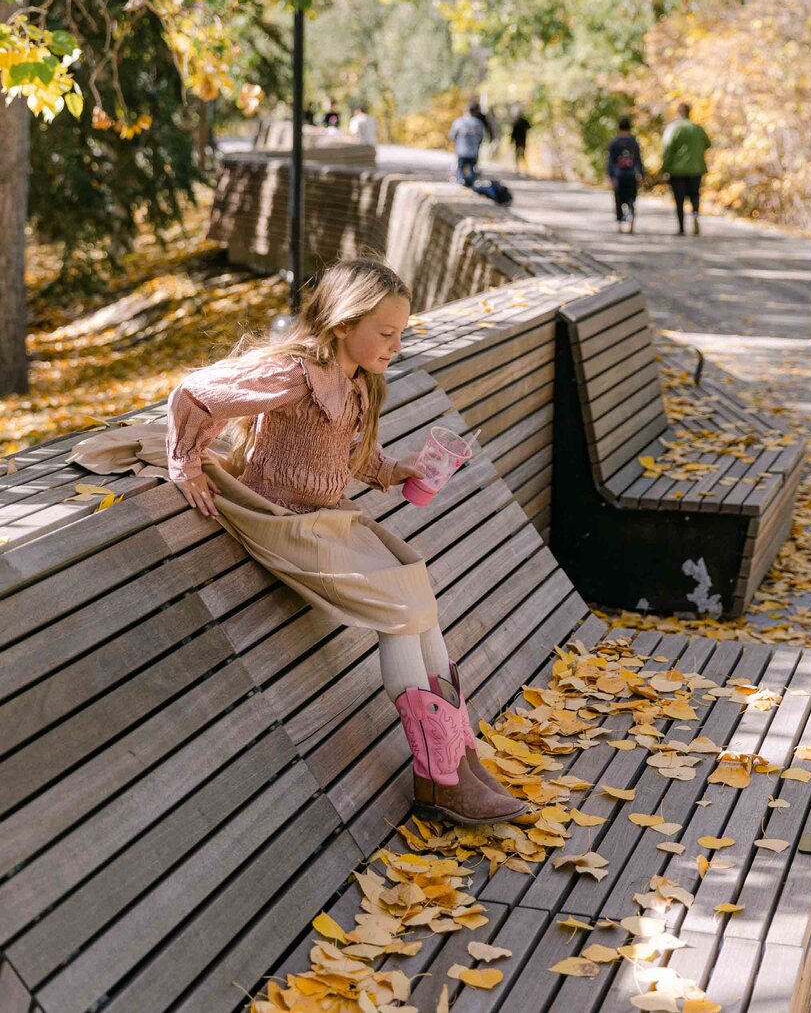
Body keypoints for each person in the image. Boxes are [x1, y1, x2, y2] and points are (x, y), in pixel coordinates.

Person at [166, 258, 531, 827]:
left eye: (400, 333)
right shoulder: (295, 373)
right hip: (282, 520)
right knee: (399, 609)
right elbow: (194, 393)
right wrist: (185, 463)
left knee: (419, 597)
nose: (395, 344)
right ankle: (438, 779)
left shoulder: (355, 380)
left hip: (324, 520)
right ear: (341, 323)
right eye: (385, 333)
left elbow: (343, 453)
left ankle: (457, 759)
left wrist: (391, 471)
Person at [662, 102, 711, 236]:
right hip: (696, 168)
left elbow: (668, 149)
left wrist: (665, 169)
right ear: (690, 112)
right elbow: (707, 144)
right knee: (695, 195)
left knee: (679, 199)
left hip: (677, 170)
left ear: (678, 112)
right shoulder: (697, 129)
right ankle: (695, 215)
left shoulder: (674, 128)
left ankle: (681, 228)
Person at [607, 116, 645, 234]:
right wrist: (642, 175)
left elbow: (610, 161)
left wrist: (611, 176)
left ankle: (619, 224)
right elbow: (638, 160)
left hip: (618, 176)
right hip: (631, 175)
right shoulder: (634, 143)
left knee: (619, 200)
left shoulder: (614, 143)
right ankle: (631, 224)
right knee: (631, 199)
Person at [449, 100, 486, 187]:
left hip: (461, 149)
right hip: (473, 150)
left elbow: (452, 136)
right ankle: (470, 181)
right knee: (472, 168)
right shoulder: (478, 123)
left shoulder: (458, 122)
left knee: (460, 168)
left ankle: (461, 179)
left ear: (466, 110)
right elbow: (481, 137)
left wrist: (456, 141)